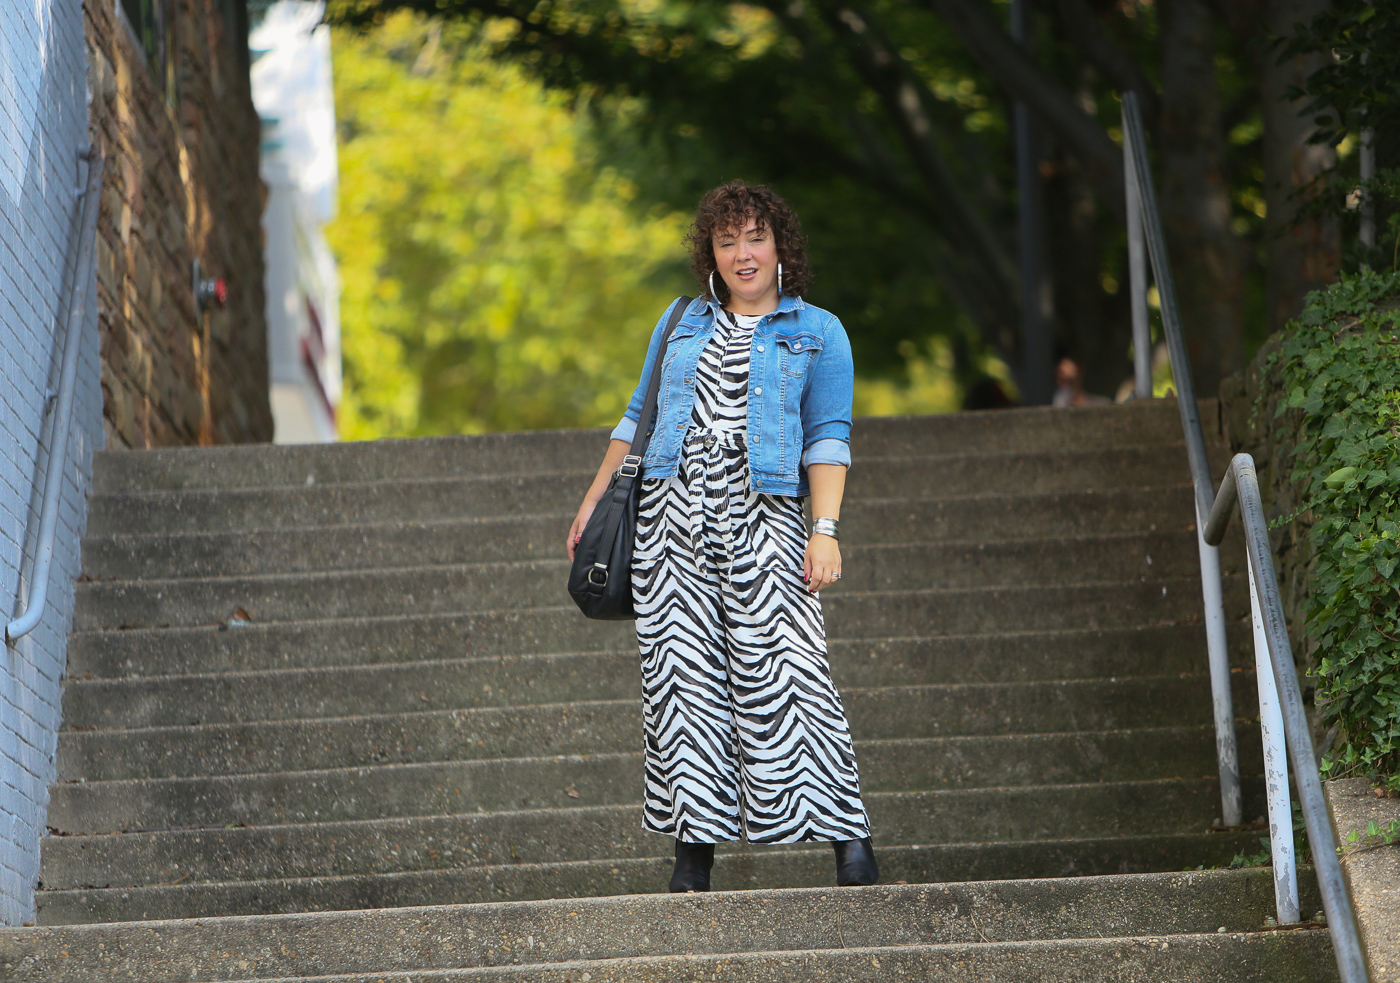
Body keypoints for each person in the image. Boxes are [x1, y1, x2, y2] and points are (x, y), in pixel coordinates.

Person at [567, 180, 878, 893]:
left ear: (781, 247)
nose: (742, 253)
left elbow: (829, 436)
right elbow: (637, 416)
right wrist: (593, 502)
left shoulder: (820, 332)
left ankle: (849, 840)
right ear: (710, 249)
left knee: (793, 675)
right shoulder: (680, 321)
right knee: (682, 682)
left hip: (765, 513)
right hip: (671, 517)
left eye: (755, 237)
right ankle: (692, 855)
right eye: (727, 239)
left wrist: (823, 530)